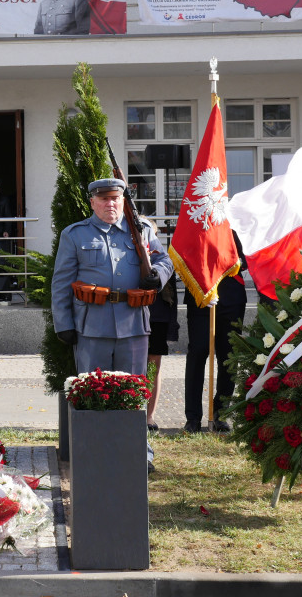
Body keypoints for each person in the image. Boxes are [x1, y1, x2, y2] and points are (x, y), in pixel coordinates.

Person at [51, 178, 173, 471]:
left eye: (115, 199)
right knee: (93, 392)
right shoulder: (75, 235)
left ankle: (137, 452)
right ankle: (93, 453)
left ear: (123, 200)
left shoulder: (141, 231)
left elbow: (166, 261)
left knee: (133, 395)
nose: (110, 204)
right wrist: (63, 323)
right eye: (103, 199)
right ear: (92, 202)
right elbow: (61, 282)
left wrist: (157, 275)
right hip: (92, 326)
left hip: (133, 325)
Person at [183, 233, 248, 434]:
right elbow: (182, 256)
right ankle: (193, 417)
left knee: (228, 356)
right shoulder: (194, 225)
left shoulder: (232, 228)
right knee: (198, 352)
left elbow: (244, 261)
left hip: (231, 298)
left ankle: (221, 414)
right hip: (200, 296)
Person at [146, 270, 179, 433]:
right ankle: (132, 411)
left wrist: (172, 326)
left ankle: (149, 416)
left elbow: (172, 292)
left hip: (157, 315)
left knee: (153, 367)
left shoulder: (159, 253)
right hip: (130, 312)